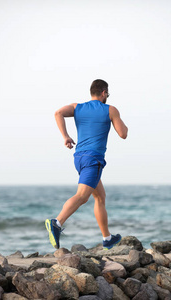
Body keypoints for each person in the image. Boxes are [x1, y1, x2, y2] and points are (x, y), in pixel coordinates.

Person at [45, 79, 128, 250]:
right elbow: (123, 134)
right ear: (104, 92)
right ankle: (57, 223)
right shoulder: (110, 110)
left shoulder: (77, 107)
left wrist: (65, 136)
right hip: (93, 159)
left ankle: (107, 238)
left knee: (99, 197)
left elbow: (57, 113)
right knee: (82, 196)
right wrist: (116, 117)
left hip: (79, 158)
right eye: (107, 94)